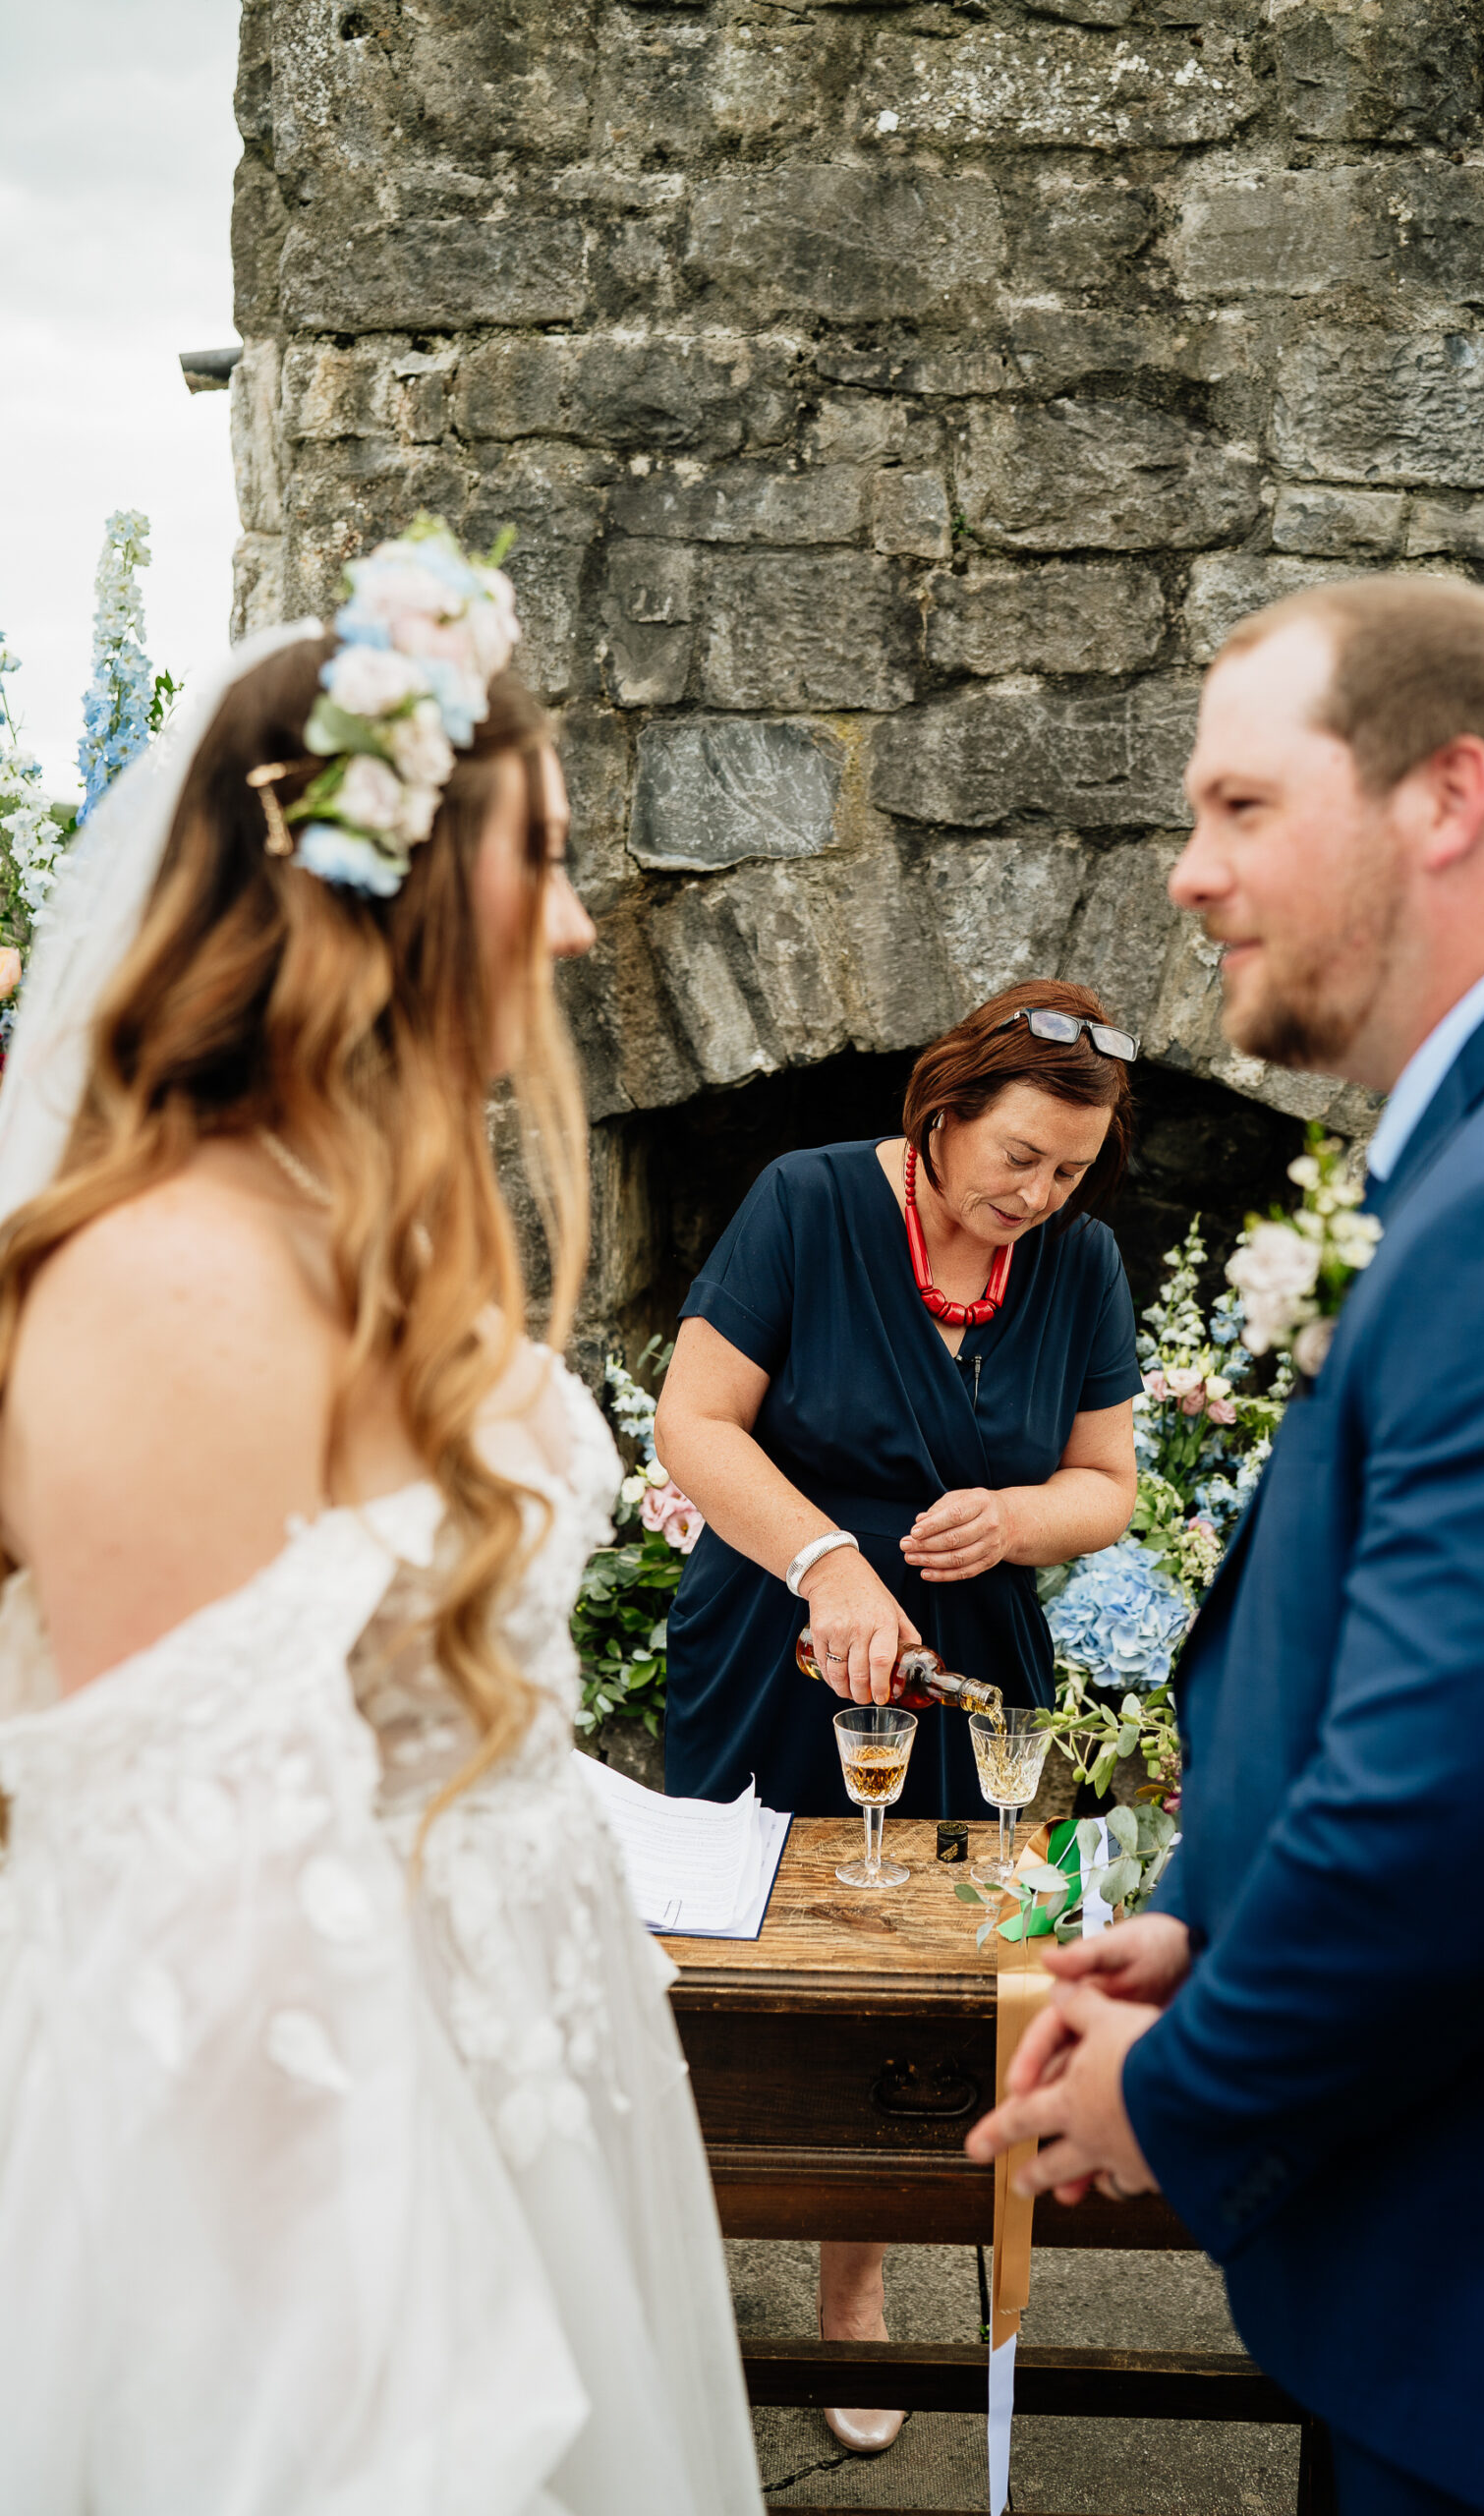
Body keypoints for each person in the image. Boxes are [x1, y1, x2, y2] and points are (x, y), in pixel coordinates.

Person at [0, 523, 763, 2516]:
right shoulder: (174, 1285)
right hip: (351, 2203)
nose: (579, 926)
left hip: (516, 2093)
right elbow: (206, 1948)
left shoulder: (364, 1233)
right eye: (547, 855)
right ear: (402, 888)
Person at [967, 576, 1484, 2515]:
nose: (1186, 874)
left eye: (1238, 806)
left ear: (1445, 795)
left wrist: (1172, 2092)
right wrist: (1200, 1919)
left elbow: (1463, 1805)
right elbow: (1387, 1648)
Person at [655, 978, 1142, 2450]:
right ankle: (665, 2272)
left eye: (1068, 1172)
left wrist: (1015, 1517)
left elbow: (1103, 1489)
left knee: (913, 1994)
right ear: (940, 1120)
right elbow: (695, 1419)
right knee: (719, 1963)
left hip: (967, 1668)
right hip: (771, 1633)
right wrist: (827, 1562)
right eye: (1018, 1160)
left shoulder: (1085, 1262)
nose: (1040, 1197)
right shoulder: (803, 1205)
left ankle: (851, 2298)